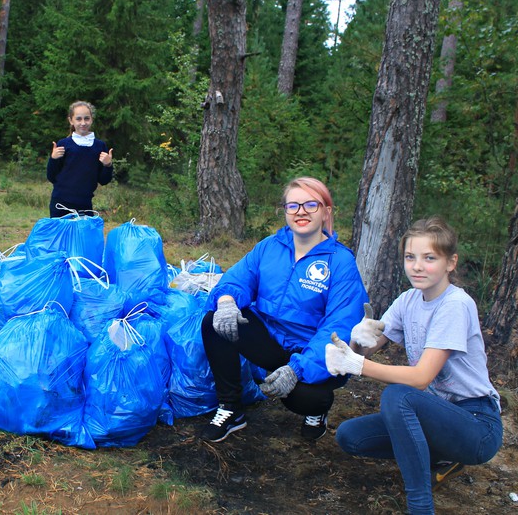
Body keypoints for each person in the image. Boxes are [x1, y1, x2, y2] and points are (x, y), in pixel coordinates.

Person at [325, 217, 502, 515]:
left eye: (429, 258)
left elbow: (420, 378)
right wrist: (354, 341)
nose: (417, 266)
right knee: (350, 436)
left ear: (451, 262)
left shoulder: (455, 305)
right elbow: (370, 347)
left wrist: (355, 364)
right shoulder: (408, 300)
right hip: (434, 417)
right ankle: (440, 457)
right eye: (410, 257)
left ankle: (421, 507)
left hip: (476, 425)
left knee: (398, 395)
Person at [201, 177, 368, 442]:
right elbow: (237, 279)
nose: (301, 211)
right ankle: (231, 408)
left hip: (312, 352)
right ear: (286, 211)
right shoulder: (269, 246)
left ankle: (317, 411)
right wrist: (226, 302)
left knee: (307, 400)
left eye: (311, 204)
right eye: (293, 205)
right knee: (215, 322)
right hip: (271, 342)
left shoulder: (341, 262)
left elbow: (339, 328)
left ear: (326, 211)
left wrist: (297, 370)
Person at [46, 101, 114, 217]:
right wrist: (53, 159)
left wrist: (108, 165)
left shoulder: (99, 146)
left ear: (92, 119)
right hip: (60, 204)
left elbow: (104, 180)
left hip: (84, 205)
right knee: (61, 236)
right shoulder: (63, 144)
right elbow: (51, 176)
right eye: (78, 119)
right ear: (71, 121)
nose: (83, 123)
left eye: (86, 118)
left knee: (83, 236)